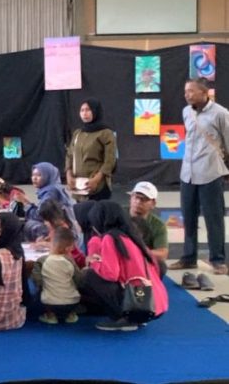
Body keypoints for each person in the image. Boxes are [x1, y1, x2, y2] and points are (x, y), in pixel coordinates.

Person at [79, 201, 168, 331]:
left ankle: (126, 318)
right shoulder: (130, 235)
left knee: (90, 275)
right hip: (154, 302)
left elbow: (110, 274)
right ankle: (136, 317)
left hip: (139, 303)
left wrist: (93, 262)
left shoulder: (110, 238)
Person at [170, 78, 229, 275]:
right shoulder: (186, 111)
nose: (186, 95)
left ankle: (218, 260)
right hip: (188, 173)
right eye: (186, 91)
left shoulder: (221, 113)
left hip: (210, 172)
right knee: (188, 217)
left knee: (214, 219)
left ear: (205, 93)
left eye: (191, 91)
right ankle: (189, 257)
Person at [65, 99, 117, 201]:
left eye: (88, 110)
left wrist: (96, 180)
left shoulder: (106, 133)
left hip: (98, 187)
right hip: (78, 187)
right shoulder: (78, 133)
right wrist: (68, 175)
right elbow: (69, 155)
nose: (84, 113)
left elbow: (110, 161)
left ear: (95, 111)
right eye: (82, 110)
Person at [14, 162, 76, 241]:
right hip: (61, 228)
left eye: (39, 175)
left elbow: (41, 216)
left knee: (30, 225)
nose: (34, 178)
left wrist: (25, 202)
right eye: (33, 175)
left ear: (47, 176)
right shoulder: (51, 189)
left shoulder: (51, 192)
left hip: (64, 232)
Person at [32, 227, 82, 325]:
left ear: (52, 244)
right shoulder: (70, 261)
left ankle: (50, 316)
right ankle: (70, 315)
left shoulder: (42, 260)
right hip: (72, 302)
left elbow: (37, 280)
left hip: (50, 303)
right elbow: (79, 279)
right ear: (69, 248)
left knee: (40, 290)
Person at [127, 182, 168, 262]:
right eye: (136, 197)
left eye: (144, 199)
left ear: (153, 204)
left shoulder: (158, 225)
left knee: (161, 266)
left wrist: (137, 252)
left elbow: (162, 254)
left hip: (143, 260)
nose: (138, 201)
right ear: (131, 198)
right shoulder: (118, 215)